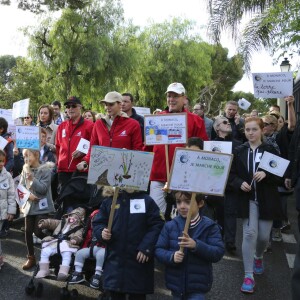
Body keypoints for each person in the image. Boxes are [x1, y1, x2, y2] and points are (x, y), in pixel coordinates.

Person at [229, 117, 283, 294]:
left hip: (267, 199)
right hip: (247, 199)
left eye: (254, 129)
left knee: (263, 237)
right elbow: (231, 175)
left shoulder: (271, 150)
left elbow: (280, 175)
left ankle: (258, 256)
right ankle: (248, 275)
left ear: (261, 130)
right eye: (247, 130)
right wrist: (239, 183)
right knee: (250, 233)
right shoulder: (239, 151)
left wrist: (266, 174)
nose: (250, 133)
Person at [93, 186, 165, 300]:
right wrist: (101, 232)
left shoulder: (146, 200)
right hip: (115, 263)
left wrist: (146, 247)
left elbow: (157, 224)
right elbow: (98, 223)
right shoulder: (109, 201)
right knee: (114, 294)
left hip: (139, 263)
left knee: (137, 295)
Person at [147, 82, 208, 215]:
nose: (171, 99)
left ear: (184, 98)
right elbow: (148, 146)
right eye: (169, 96)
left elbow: (203, 148)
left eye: (175, 96)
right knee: (157, 216)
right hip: (158, 175)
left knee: (181, 216)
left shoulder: (196, 120)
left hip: (183, 177)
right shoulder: (157, 118)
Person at [155, 191, 224, 299]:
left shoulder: (210, 226)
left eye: (188, 202)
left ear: (200, 203)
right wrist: (171, 256)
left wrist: (197, 246)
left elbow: (218, 252)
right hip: (176, 284)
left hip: (198, 285)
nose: (182, 206)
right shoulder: (170, 226)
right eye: (178, 202)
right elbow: (158, 249)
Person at [77, 91, 143, 171]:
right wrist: (85, 161)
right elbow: (92, 148)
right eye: (106, 104)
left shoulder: (133, 124)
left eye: (111, 104)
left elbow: (138, 150)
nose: (107, 107)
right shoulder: (98, 124)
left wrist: (128, 154)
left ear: (120, 104)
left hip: (123, 172)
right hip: (101, 171)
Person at [20, 149, 55, 270]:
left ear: (36, 155)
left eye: (27, 156)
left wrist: (32, 180)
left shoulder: (45, 170)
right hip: (29, 206)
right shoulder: (25, 169)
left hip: (42, 207)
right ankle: (31, 257)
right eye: (24, 156)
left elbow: (43, 189)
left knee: (38, 231)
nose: (25, 159)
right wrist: (28, 196)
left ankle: (53, 246)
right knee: (28, 231)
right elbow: (21, 187)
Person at [212, 116, 242, 252]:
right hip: (216, 184)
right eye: (224, 122)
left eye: (228, 122)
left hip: (231, 185)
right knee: (219, 214)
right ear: (217, 127)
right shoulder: (210, 145)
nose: (228, 123)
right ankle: (219, 238)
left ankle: (230, 242)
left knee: (231, 213)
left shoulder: (237, 144)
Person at [56, 96, 94, 194]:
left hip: (80, 170)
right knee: (63, 201)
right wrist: (59, 164)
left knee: (78, 201)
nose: (70, 109)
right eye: (68, 106)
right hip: (63, 171)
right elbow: (58, 147)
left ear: (80, 107)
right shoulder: (61, 126)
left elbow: (94, 146)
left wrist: (84, 152)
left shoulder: (89, 126)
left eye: (73, 106)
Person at [35, 207, 86, 281]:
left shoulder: (79, 228)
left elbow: (79, 236)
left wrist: (75, 239)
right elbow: (52, 222)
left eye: (76, 217)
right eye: (71, 216)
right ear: (68, 215)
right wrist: (44, 223)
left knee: (67, 255)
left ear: (80, 220)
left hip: (68, 245)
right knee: (45, 251)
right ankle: (44, 270)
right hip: (54, 242)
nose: (72, 218)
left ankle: (63, 272)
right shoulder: (62, 222)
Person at [69, 209, 105, 289]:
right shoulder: (89, 231)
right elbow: (86, 240)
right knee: (80, 253)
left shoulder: (105, 230)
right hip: (91, 248)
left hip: (103, 248)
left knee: (101, 255)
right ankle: (78, 273)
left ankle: (97, 275)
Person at [0, 149, 15, 269]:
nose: (1, 163)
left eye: (2, 161)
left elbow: (11, 195)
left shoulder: (7, 176)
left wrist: (11, 210)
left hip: (2, 213)